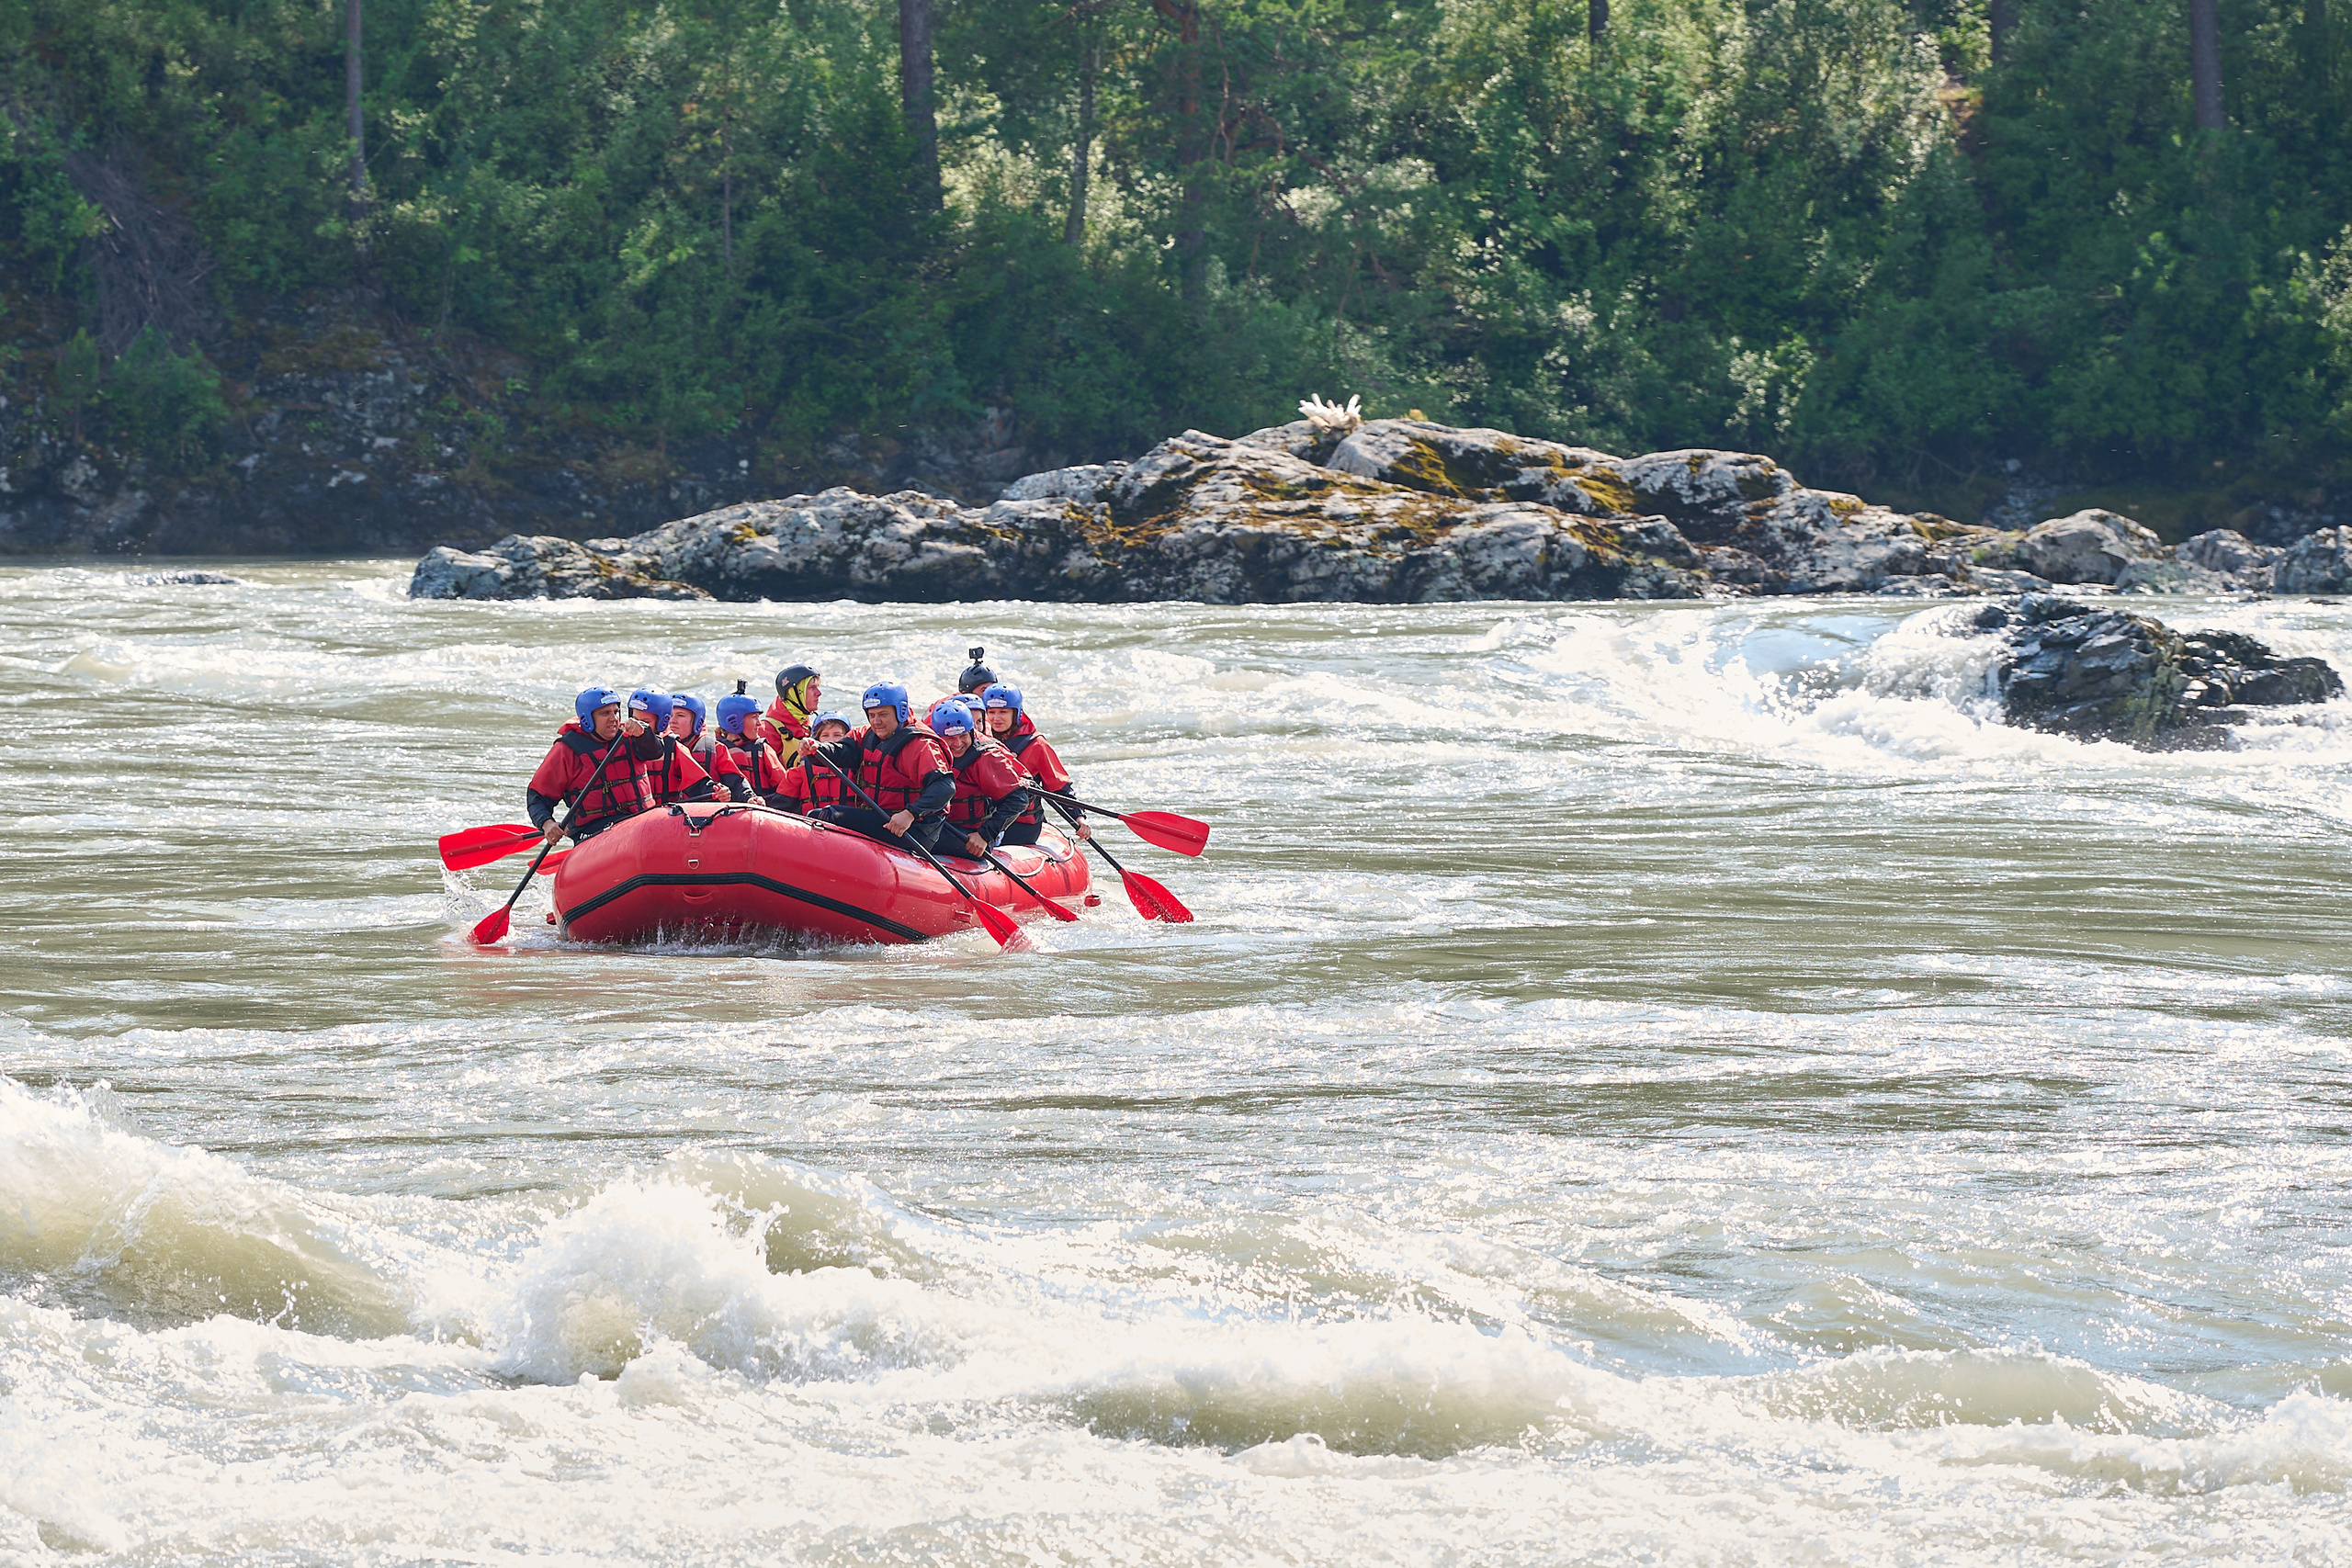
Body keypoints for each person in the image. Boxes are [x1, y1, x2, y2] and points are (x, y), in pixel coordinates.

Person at [805, 682, 956, 852]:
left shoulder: (921, 746)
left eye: (883, 714)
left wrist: (910, 814)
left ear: (901, 712)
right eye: (872, 715)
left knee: (829, 815)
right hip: (883, 819)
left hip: (912, 829)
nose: (876, 721)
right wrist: (817, 748)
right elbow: (843, 751)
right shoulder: (865, 735)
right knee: (817, 815)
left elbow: (944, 787)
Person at [526, 687, 664, 844]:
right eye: (605, 713)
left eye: (616, 712)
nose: (614, 718)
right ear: (588, 719)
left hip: (640, 822)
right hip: (594, 832)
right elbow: (538, 796)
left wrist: (644, 732)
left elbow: (655, 751)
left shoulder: (632, 735)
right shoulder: (566, 750)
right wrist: (547, 823)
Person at [978, 683, 1090, 846]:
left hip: (1021, 826)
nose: (996, 718)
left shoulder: (1036, 745)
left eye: (1003, 712)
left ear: (1016, 713)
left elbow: (1059, 787)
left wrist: (1079, 817)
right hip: (986, 821)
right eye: (991, 712)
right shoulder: (977, 740)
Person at [932, 703, 1035, 862]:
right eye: (950, 738)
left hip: (972, 837)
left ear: (971, 732)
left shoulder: (986, 757)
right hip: (942, 827)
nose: (958, 744)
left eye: (963, 736)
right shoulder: (929, 751)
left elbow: (1018, 799)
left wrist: (985, 835)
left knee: (917, 835)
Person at [623, 690, 718, 808]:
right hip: (631, 815)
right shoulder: (622, 743)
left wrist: (716, 791)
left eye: (645, 722)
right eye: (634, 720)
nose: (637, 725)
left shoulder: (673, 747)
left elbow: (697, 783)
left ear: (662, 722)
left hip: (666, 814)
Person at [712, 693, 796, 807]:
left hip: (762, 809)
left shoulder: (763, 749)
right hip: (726, 811)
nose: (759, 723)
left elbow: (784, 787)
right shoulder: (715, 750)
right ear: (735, 722)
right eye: (754, 717)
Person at [672, 692, 751, 803]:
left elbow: (735, 783)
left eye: (680, 715)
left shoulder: (715, 749)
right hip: (665, 810)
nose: (672, 721)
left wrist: (750, 797)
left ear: (697, 722)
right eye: (669, 715)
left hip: (706, 810)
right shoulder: (657, 749)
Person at [770, 710, 854, 815]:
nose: (831, 740)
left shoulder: (856, 767)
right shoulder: (801, 769)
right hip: (812, 822)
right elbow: (780, 806)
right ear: (817, 739)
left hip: (848, 822)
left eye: (837, 735)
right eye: (825, 736)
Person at [758, 664, 821, 767]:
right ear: (792, 693)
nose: (818, 693)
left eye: (817, 687)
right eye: (811, 688)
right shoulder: (766, 731)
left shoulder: (810, 726)